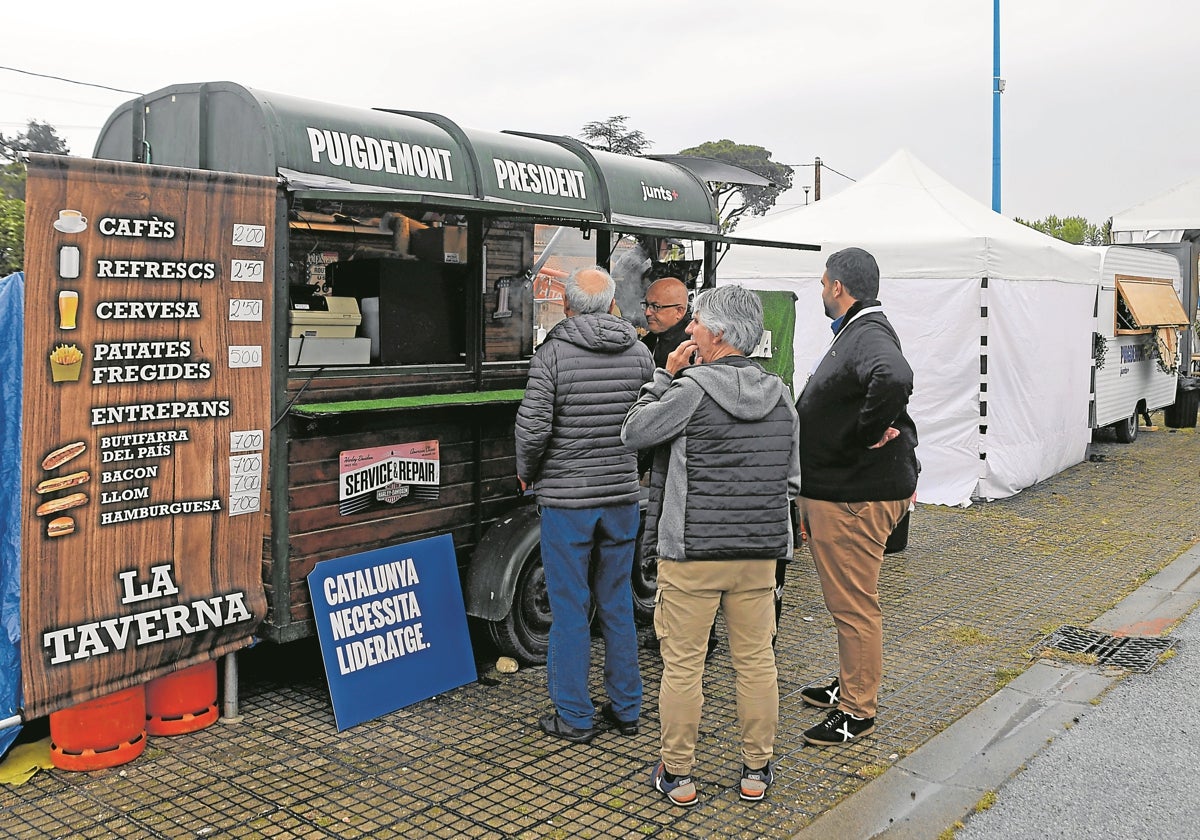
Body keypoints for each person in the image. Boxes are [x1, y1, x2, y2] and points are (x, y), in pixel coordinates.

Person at [622, 284, 799, 807]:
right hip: (758, 554)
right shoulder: (782, 393)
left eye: (695, 321)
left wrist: (663, 375)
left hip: (692, 554)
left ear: (717, 333)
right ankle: (756, 770)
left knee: (683, 666)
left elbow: (633, 432)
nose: (689, 330)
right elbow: (790, 480)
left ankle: (678, 774)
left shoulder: (689, 390)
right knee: (757, 662)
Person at [516, 265, 654, 744]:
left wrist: (528, 472)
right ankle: (627, 707)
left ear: (567, 306)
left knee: (571, 609)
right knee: (616, 603)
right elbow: (651, 424)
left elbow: (533, 429)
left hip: (568, 501)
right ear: (613, 304)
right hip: (620, 497)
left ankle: (574, 716)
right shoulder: (640, 354)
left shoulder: (551, 355)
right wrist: (634, 472)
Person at [794, 247, 919, 747]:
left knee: (854, 606)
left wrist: (864, 434)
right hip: (844, 492)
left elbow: (894, 378)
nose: (822, 291)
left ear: (839, 288)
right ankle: (850, 684)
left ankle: (857, 709)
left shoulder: (867, 332)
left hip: (855, 496)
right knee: (848, 602)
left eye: (824, 284)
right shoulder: (861, 330)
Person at [640, 276, 692, 367]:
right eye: (647, 305)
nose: (647, 312)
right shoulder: (649, 341)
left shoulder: (693, 345)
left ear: (679, 311)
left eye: (655, 307)